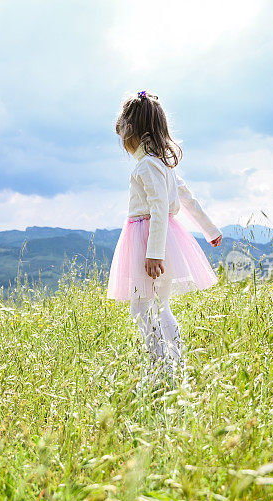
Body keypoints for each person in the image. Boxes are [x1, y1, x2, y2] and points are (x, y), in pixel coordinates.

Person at [107, 90, 222, 387]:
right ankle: (173, 364)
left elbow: (159, 206)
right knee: (159, 306)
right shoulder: (163, 163)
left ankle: (161, 367)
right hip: (160, 238)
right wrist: (210, 230)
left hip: (149, 240)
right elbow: (187, 197)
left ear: (131, 132)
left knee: (143, 307)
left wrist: (153, 252)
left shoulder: (147, 165)